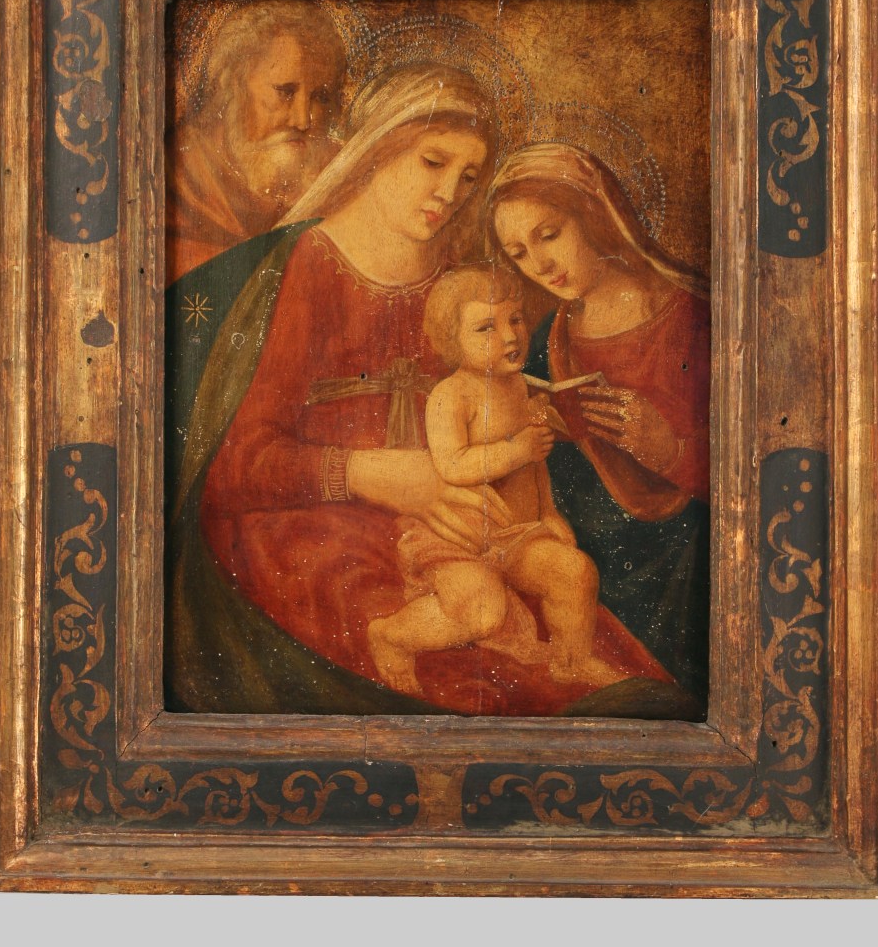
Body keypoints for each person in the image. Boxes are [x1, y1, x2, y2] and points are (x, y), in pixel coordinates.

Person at [165, 66, 684, 717]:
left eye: (468, 177)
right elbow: (230, 469)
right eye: (433, 162)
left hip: (470, 527)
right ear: (376, 148)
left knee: (604, 674)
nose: (450, 192)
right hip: (314, 534)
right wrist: (369, 473)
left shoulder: (459, 284)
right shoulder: (302, 268)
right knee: (483, 678)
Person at [488, 142, 711, 709]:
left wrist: (671, 450)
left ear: (594, 215)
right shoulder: (549, 337)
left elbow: (763, 469)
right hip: (585, 567)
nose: (539, 265)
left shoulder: (693, 316)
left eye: (548, 234)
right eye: (518, 253)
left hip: (683, 570)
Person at [368, 264, 620, 696]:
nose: (510, 336)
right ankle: (391, 635)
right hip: (459, 540)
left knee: (575, 571)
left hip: (517, 534)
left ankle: (572, 660)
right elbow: (451, 466)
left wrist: (549, 513)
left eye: (515, 319)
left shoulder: (520, 387)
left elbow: (534, 463)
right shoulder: (451, 395)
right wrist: (515, 449)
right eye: (487, 327)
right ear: (453, 340)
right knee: (482, 612)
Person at [166, 0, 346, 283]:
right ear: (233, 85)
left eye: (320, 97)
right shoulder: (181, 176)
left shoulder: (342, 175)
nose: (303, 120)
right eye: (285, 92)